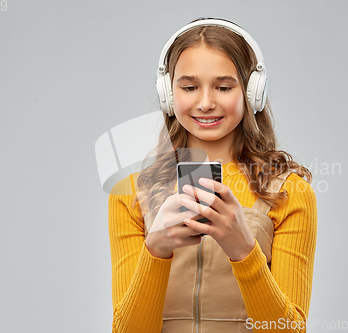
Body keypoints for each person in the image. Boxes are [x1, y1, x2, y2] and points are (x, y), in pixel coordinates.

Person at [108, 18, 317, 333]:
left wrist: (244, 250)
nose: (205, 103)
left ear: (251, 91)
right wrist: (157, 249)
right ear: (168, 93)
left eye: (223, 87)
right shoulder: (130, 193)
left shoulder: (290, 192)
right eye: (189, 87)